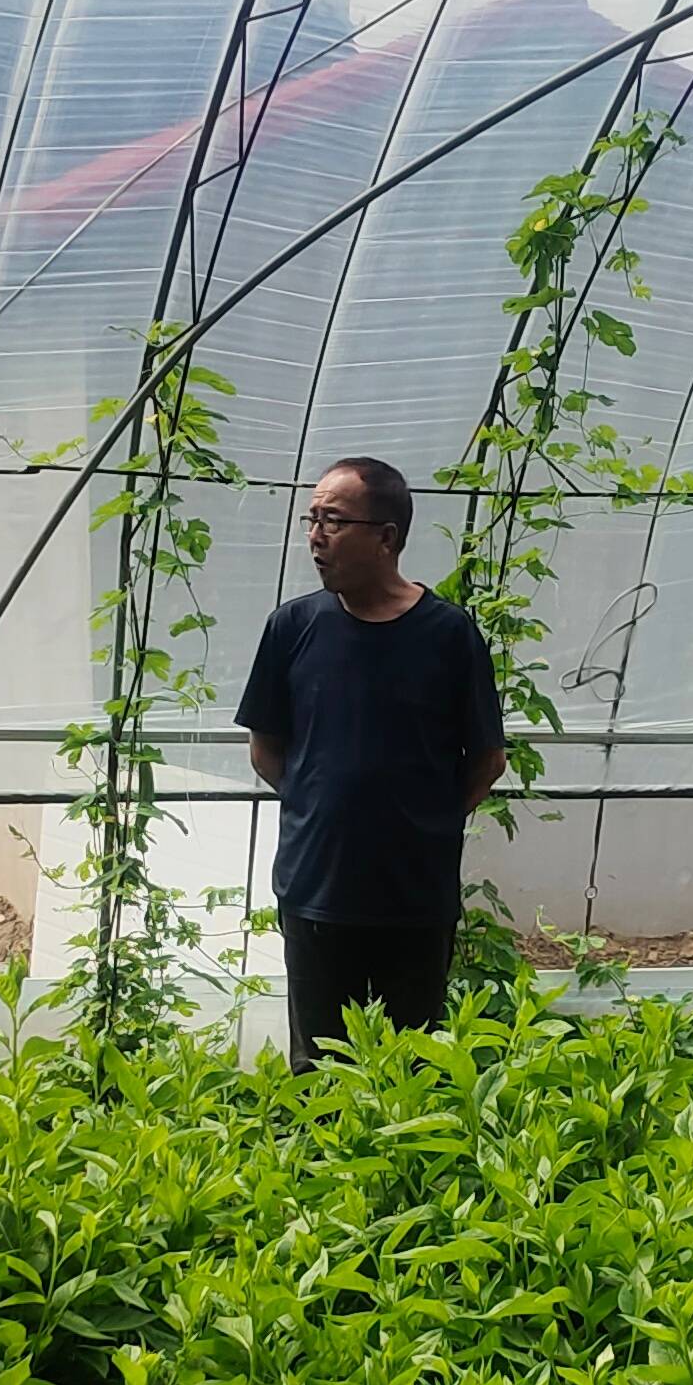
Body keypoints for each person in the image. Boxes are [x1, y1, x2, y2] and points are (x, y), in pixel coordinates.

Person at [238, 455, 509, 1062]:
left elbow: (487, 758)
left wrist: (428, 822)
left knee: (413, 1061)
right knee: (317, 1068)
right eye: (311, 520)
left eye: (332, 520)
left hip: (414, 896)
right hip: (316, 887)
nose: (315, 536)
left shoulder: (448, 635)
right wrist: (322, 808)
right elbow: (266, 750)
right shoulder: (293, 627)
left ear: (386, 538)